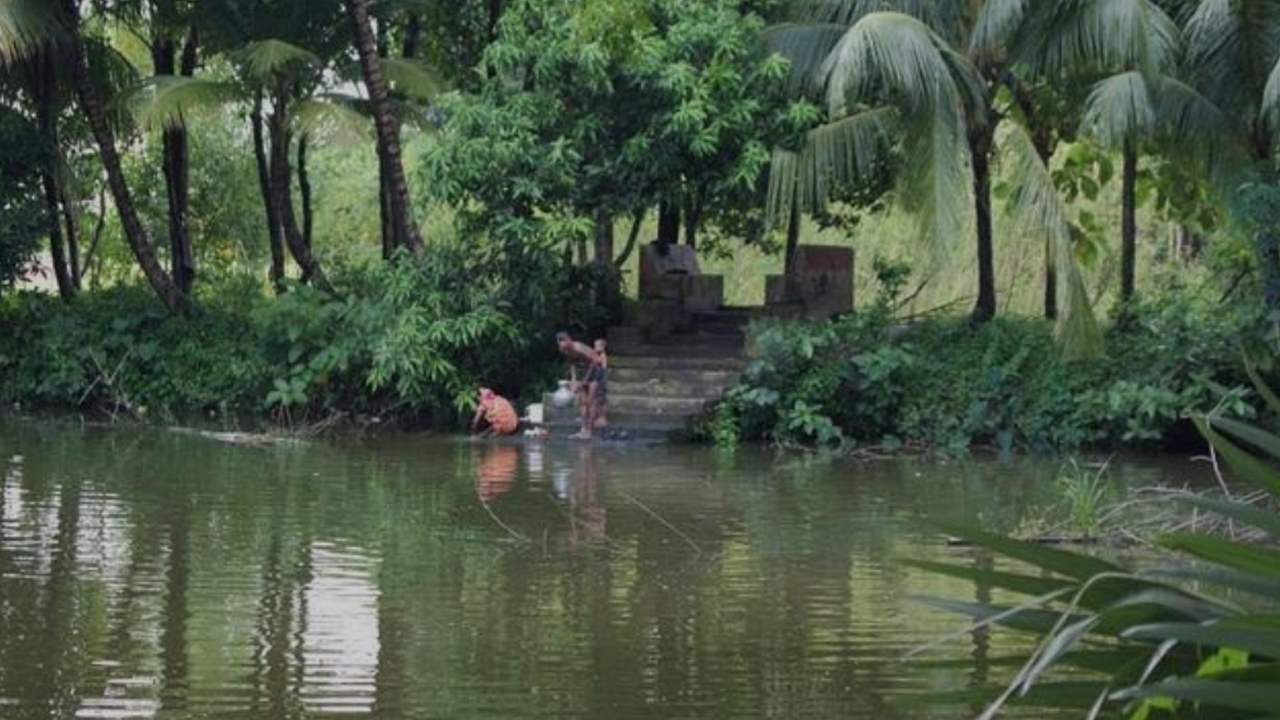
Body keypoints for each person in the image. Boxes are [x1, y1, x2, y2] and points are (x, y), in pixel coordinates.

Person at [555, 331, 603, 439]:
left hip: (595, 369)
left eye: (565, 343)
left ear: (569, 340)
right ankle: (582, 430)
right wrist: (574, 380)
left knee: (591, 400)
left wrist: (585, 380)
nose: (564, 347)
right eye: (561, 345)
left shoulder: (578, 348)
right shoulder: (563, 349)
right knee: (582, 401)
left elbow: (595, 361)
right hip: (584, 368)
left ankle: (589, 431)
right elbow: (572, 363)